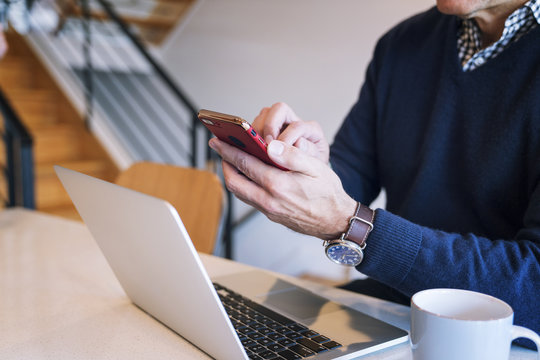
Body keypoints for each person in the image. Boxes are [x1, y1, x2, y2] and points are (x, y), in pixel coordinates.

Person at [209, 0, 540, 348]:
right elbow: (352, 176)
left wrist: (352, 225)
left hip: (501, 339)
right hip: (393, 305)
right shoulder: (403, 43)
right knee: (227, 334)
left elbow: (533, 289)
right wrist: (303, 164)